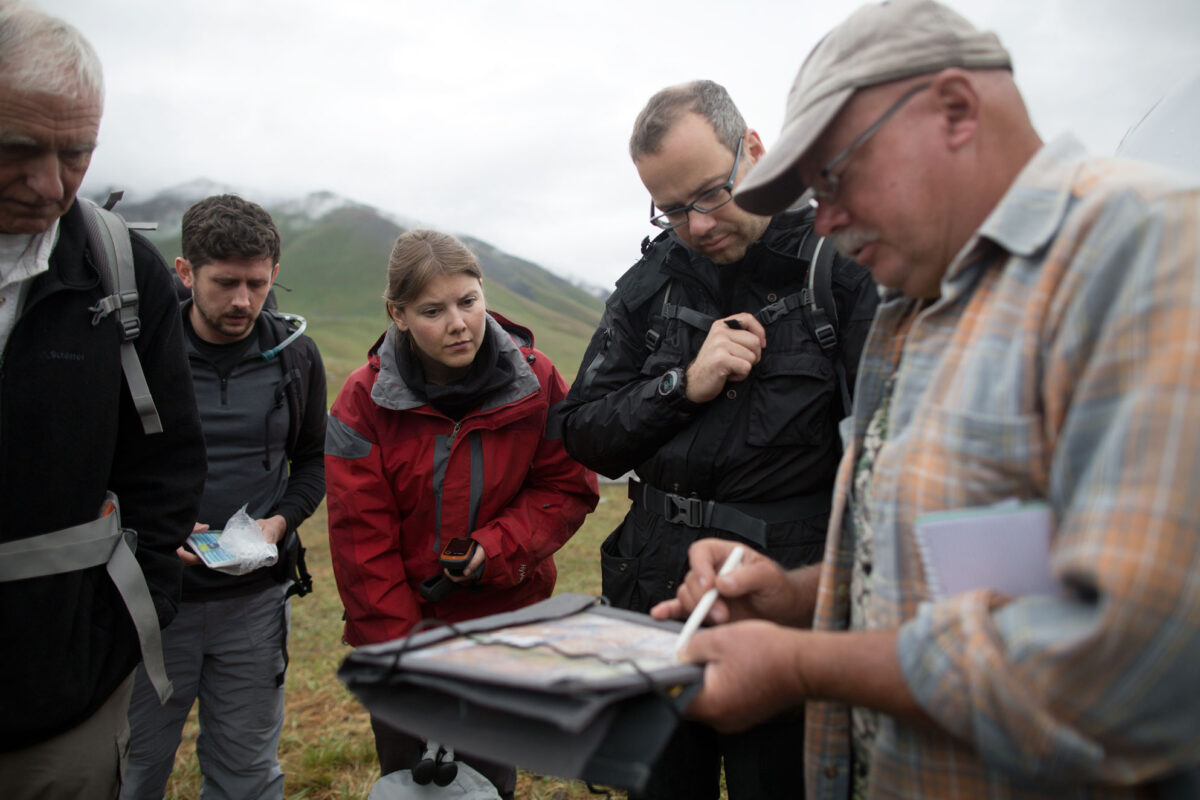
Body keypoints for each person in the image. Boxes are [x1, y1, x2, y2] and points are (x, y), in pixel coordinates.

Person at [652, 1, 1200, 797]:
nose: (825, 221)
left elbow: (1130, 671)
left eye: (834, 177)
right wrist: (795, 598)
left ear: (956, 109)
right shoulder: (917, 305)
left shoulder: (1144, 252)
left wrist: (803, 665)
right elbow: (973, 579)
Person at [557, 80, 878, 800]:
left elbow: (881, 466)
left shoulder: (843, 268)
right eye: (671, 208)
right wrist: (681, 385)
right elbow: (584, 431)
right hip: (653, 598)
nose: (697, 225)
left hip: (782, 601)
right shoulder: (650, 284)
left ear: (755, 151)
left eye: (711, 193)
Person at [0, 4, 207, 798]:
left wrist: (119, 633)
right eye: (18, 150)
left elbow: (166, 466)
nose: (51, 185)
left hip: (69, 700)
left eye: (77, 153)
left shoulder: (123, 272)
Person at [325, 229, 599, 799]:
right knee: (410, 782)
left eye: (468, 301)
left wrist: (494, 548)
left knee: (487, 782)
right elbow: (360, 546)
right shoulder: (361, 401)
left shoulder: (537, 381)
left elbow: (566, 488)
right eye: (432, 310)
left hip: (500, 634)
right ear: (397, 315)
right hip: (401, 640)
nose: (458, 323)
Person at [121, 195, 327, 800]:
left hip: (255, 607)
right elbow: (106, 470)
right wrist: (158, 534)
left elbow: (313, 463)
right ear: (185, 273)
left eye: (258, 283)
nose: (243, 300)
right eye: (226, 282)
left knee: (247, 778)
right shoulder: (140, 357)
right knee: (132, 772)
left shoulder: (295, 358)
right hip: (154, 605)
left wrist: (278, 525)